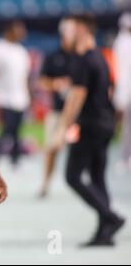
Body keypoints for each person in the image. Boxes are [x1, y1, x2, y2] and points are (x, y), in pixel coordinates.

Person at [52, 14, 125, 247]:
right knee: (97, 178)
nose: (66, 35)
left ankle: (111, 218)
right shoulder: (101, 57)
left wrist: (62, 129)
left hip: (90, 126)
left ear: (82, 30)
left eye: (70, 30)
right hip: (104, 124)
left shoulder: (84, 60)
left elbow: (76, 97)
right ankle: (105, 231)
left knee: (72, 176)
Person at [37, 17, 76, 198]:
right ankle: (46, 183)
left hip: (79, 114)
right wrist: (56, 84)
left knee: (82, 150)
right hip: (58, 111)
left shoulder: (82, 56)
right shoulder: (54, 56)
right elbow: (42, 81)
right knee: (52, 148)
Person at [0, 20, 31, 166]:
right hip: (4, 97)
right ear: (9, 30)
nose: (22, 33)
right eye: (19, 29)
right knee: (7, 130)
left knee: (17, 132)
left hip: (21, 98)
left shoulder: (21, 51)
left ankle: (15, 161)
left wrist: (29, 96)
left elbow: (25, 77)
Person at [113, 12, 131, 172]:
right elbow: (121, 72)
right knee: (127, 127)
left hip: (125, 91)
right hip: (126, 91)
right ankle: (125, 158)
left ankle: (126, 158)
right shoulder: (122, 43)